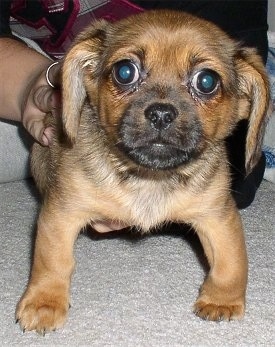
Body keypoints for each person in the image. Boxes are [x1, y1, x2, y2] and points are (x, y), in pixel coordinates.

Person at [0, 0, 269, 210]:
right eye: (126, 71)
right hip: (19, 68)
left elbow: (240, 171)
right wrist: (30, 83)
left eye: (205, 81)